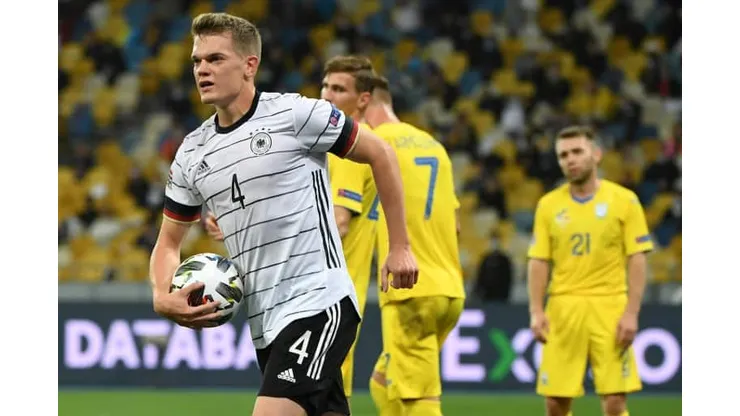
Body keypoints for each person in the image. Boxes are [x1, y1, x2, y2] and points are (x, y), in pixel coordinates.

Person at [149, 13, 419, 416]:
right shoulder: (192, 152)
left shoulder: (296, 114)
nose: (202, 69)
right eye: (197, 61)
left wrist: (399, 247)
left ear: (249, 66)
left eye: (216, 59)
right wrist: (161, 296)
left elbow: (381, 153)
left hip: (318, 303)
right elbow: (168, 243)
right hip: (266, 324)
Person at [205, 55, 380, 403]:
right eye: (325, 86)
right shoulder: (319, 147)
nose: (327, 95)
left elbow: (339, 221)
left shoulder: (344, 153)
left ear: (363, 99)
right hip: (310, 295)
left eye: (339, 89)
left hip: (318, 295)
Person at [527, 125, 653, 416]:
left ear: (596, 154)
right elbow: (539, 260)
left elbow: (637, 258)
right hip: (563, 307)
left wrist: (631, 313)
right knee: (555, 403)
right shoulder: (548, 205)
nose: (570, 159)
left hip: (609, 306)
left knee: (614, 401)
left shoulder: (625, 201)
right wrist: (536, 310)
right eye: (563, 155)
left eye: (577, 152)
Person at [363, 76, 466, 416]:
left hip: (409, 288)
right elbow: (456, 224)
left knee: (418, 398)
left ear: (365, 102)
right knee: (383, 381)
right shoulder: (434, 146)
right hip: (448, 289)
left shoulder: (373, 145)